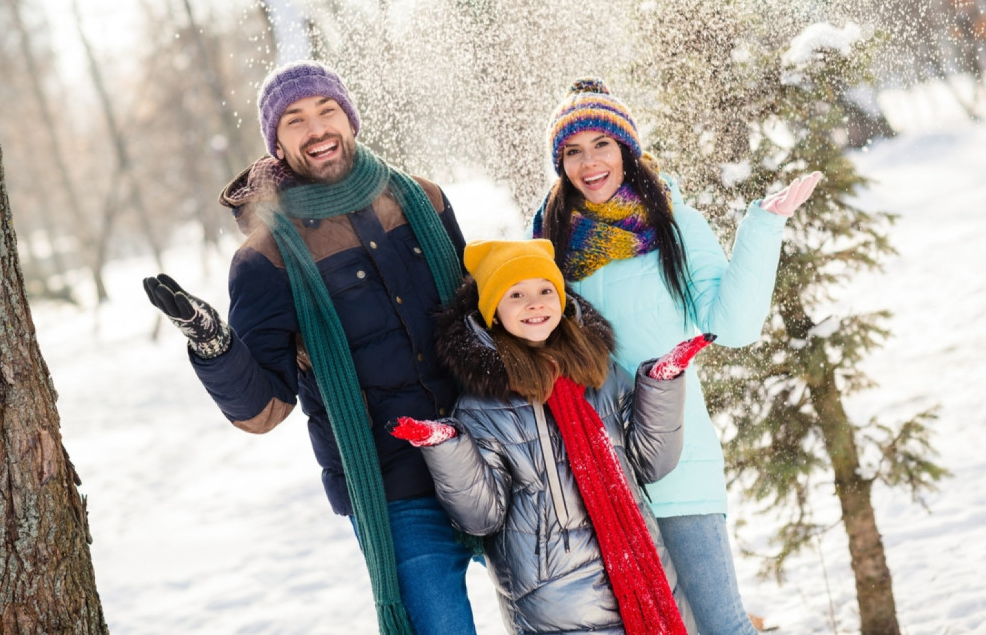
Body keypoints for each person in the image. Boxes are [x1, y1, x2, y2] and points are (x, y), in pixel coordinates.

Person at [142, 61, 477, 635]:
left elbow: (474, 318)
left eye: (327, 110)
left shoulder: (423, 199)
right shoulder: (265, 259)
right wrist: (214, 345)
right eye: (295, 119)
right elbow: (264, 408)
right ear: (277, 142)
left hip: (491, 452)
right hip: (396, 487)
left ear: (349, 118)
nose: (316, 127)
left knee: (562, 612)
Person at [532, 78, 822, 634]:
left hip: (679, 458)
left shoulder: (674, 225)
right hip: (594, 466)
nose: (589, 163)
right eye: (573, 151)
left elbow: (730, 325)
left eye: (602, 145)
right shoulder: (547, 240)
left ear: (626, 149)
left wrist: (763, 226)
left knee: (719, 623)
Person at [389, 238, 711, 635]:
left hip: (644, 577)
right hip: (554, 607)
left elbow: (651, 463)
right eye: (516, 295)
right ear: (492, 312)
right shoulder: (482, 407)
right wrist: (447, 447)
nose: (535, 303)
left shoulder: (600, 375)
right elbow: (481, 516)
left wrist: (662, 386)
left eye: (545, 290)